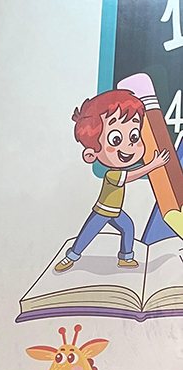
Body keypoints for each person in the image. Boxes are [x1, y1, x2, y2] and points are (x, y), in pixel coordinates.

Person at [55, 89, 169, 273]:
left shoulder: (118, 171)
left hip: (115, 212)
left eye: (134, 136)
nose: (129, 145)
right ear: (91, 154)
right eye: (115, 139)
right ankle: (71, 257)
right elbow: (130, 176)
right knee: (87, 235)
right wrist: (153, 165)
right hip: (103, 211)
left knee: (128, 227)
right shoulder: (112, 174)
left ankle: (125, 258)